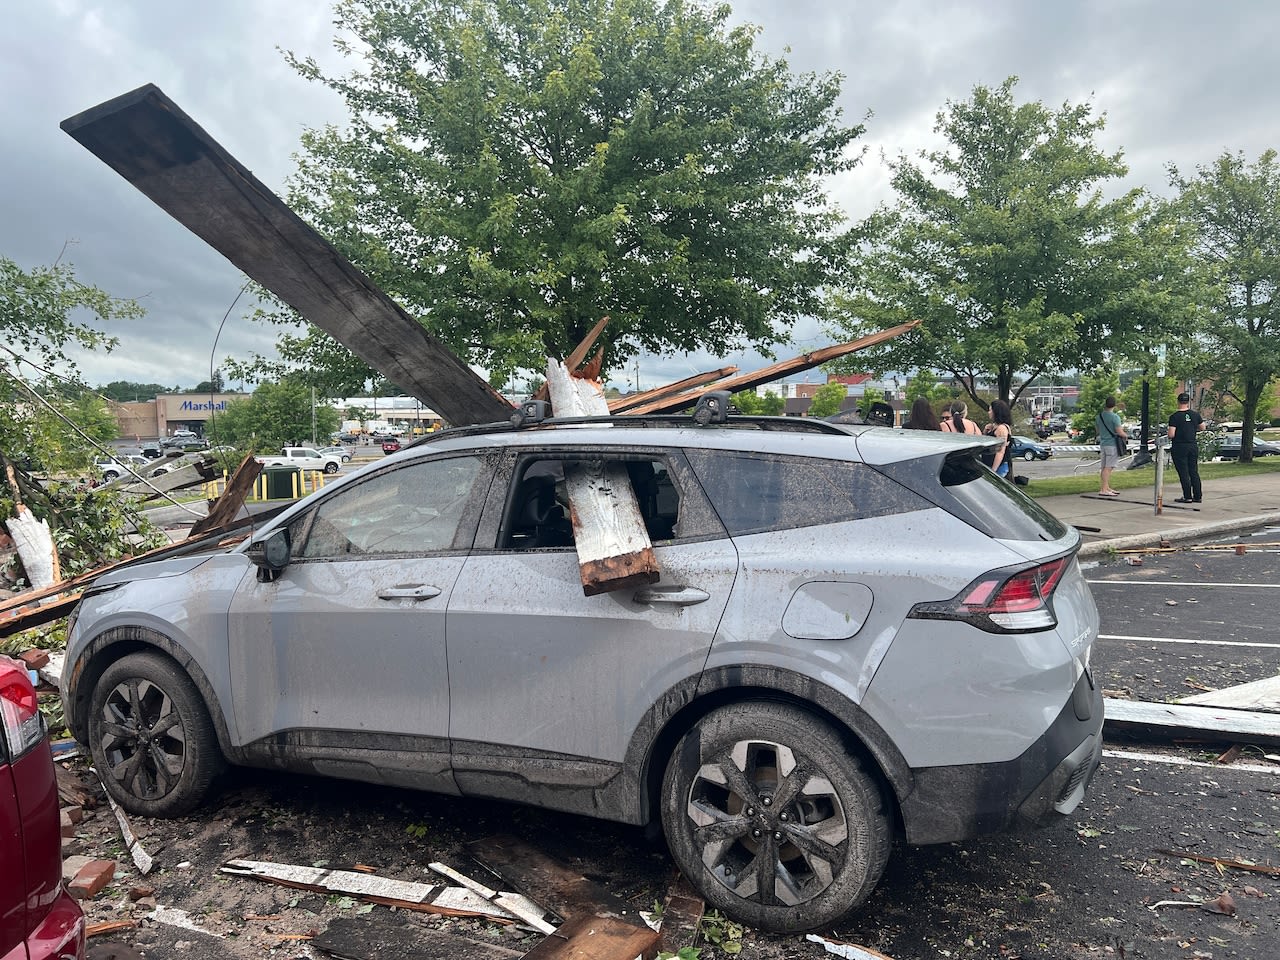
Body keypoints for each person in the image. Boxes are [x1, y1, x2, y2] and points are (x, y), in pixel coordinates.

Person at [1167, 392, 1205, 503]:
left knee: (1183, 472)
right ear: (1188, 402)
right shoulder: (1195, 415)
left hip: (1179, 446)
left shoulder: (1174, 417)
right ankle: (1197, 496)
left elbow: (1171, 434)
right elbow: (1202, 427)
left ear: (1178, 401)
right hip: (1192, 445)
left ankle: (1187, 496)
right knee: (1193, 471)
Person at [1095, 395, 1128, 496]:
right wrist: (1125, 435)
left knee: (1104, 467)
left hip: (1103, 443)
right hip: (1112, 445)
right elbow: (1119, 432)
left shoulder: (1099, 417)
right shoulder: (1115, 417)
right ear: (1114, 405)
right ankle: (1104, 490)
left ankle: (1105, 487)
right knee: (1108, 468)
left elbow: (1098, 431)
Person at [985, 399, 1013, 478]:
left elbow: (1000, 451)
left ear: (996, 412)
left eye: (990, 410)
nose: (988, 412)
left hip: (998, 466)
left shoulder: (1001, 428)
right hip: (990, 463)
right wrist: (986, 430)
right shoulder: (994, 426)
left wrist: (993, 470)